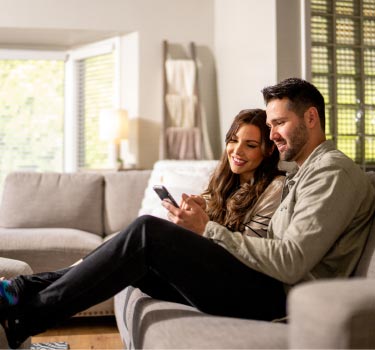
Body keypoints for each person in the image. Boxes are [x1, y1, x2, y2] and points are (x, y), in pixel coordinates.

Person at [0, 108, 287, 349]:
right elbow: (213, 242)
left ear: (268, 149)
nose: (237, 151)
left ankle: (27, 314)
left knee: (146, 230)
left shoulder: (274, 187)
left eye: (250, 145)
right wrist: (199, 218)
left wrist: (205, 227)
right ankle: (19, 292)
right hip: (221, 280)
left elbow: (251, 252)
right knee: (133, 257)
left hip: (245, 293)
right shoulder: (229, 183)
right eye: (233, 140)